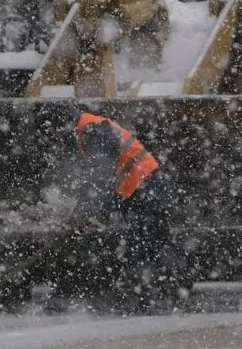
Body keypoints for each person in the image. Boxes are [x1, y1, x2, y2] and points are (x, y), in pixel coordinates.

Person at [47, 106, 173, 312]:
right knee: (144, 243)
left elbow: (100, 174)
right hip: (141, 188)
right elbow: (96, 177)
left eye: (54, 131)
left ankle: (152, 297)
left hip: (145, 187)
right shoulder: (88, 128)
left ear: (62, 124)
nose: (55, 136)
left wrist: (85, 211)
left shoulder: (93, 130)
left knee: (146, 243)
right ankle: (151, 294)